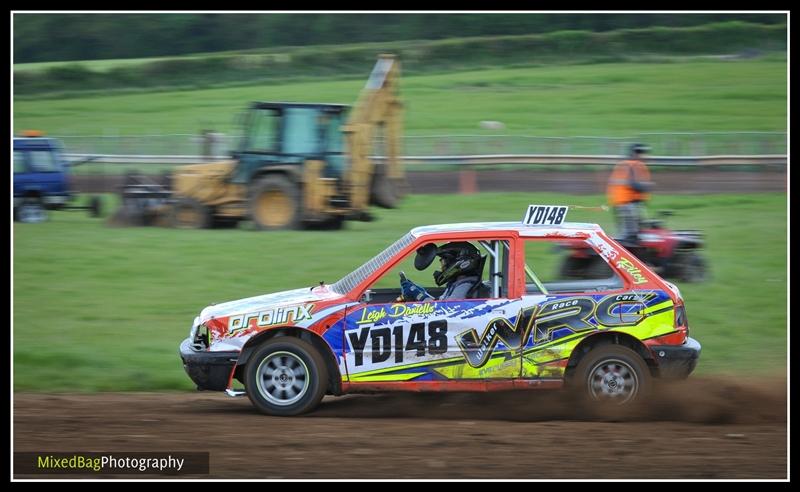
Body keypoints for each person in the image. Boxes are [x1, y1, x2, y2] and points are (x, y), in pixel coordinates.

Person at [400, 242, 484, 301]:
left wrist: (418, 295)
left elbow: (443, 310)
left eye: (443, 263)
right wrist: (422, 293)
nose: (441, 267)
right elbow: (440, 303)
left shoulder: (465, 286)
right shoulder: (457, 283)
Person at [607, 143, 654, 246]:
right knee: (631, 237)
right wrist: (647, 187)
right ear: (635, 153)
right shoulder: (635, 165)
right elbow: (633, 184)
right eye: (641, 153)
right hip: (628, 204)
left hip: (619, 202)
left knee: (624, 233)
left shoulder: (623, 164)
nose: (644, 156)